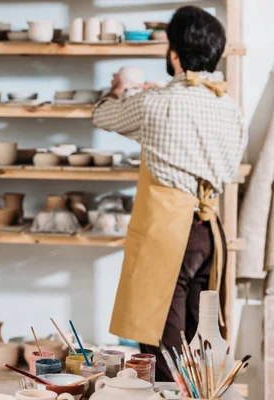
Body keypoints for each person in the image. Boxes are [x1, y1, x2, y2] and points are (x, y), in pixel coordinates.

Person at [92, 6, 247, 381]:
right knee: (202, 344)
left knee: (165, 350)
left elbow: (103, 116)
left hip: (169, 236)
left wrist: (119, 90)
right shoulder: (228, 106)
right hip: (211, 233)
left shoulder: (154, 104)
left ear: (174, 53)